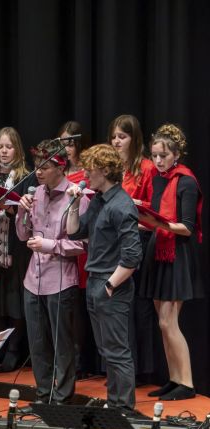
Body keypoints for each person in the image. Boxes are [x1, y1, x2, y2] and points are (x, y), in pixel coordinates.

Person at [66, 144, 142, 413]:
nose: (85, 173)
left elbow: (132, 257)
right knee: (106, 349)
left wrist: (110, 285)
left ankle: (124, 409)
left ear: (106, 171)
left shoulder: (121, 206)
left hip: (111, 285)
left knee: (117, 350)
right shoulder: (98, 200)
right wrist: (74, 203)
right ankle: (115, 404)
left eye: (91, 168)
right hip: (95, 281)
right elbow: (74, 232)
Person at [16, 147, 89, 405]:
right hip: (33, 279)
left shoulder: (76, 196)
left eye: (45, 167)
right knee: (37, 343)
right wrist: (22, 211)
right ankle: (43, 393)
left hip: (60, 280)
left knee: (63, 344)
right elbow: (23, 236)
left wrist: (50, 245)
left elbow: (81, 245)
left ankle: (62, 398)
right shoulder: (35, 193)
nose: (38, 172)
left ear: (60, 168)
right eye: (36, 166)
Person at [139, 124, 203, 401]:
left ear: (176, 154)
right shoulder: (156, 178)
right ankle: (173, 378)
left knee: (169, 322)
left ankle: (186, 383)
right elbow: (154, 217)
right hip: (158, 248)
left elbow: (188, 227)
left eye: (164, 155)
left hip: (177, 252)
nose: (158, 160)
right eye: (154, 155)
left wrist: (156, 222)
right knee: (162, 322)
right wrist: (142, 219)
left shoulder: (186, 181)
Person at [108, 114, 157, 383]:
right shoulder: (113, 169)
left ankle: (142, 370)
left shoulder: (147, 168)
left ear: (134, 139)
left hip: (139, 240)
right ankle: (119, 368)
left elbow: (155, 214)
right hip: (113, 242)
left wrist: (133, 205)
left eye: (122, 136)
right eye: (114, 136)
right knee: (116, 307)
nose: (116, 141)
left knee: (138, 305)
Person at [0, 127, 33, 372]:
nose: (3, 151)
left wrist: (12, 209)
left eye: (9, 147)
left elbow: (30, 215)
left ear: (17, 150)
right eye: (0, 146)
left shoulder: (25, 176)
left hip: (15, 246)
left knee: (14, 299)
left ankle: (13, 350)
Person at [56, 122, 100, 378]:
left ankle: (83, 359)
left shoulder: (87, 174)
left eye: (71, 142)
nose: (66, 147)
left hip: (83, 242)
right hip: (59, 239)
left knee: (82, 304)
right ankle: (68, 358)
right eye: (62, 142)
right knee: (69, 305)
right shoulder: (58, 172)